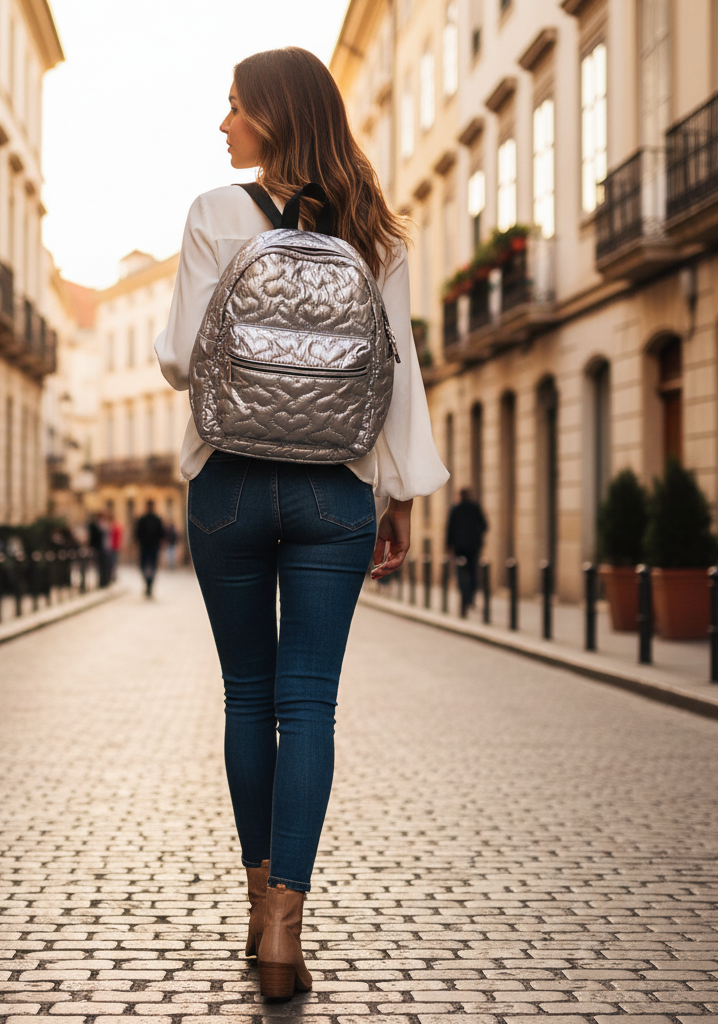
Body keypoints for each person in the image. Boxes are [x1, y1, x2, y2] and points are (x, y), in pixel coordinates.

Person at [155, 47, 448, 999]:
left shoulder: (213, 213)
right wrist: (397, 496)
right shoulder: (376, 232)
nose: (224, 124)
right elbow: (397, 369)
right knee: (307, 704)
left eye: (235, 107)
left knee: (248, 697)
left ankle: (252, 902)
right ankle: (285, 930)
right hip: (336, 492)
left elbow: (173, 362)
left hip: (230, 485)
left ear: (275, 118)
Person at [446, 487, 489, 616]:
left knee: (460, 572)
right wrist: (477, 535)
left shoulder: (455, 509)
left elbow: (449, 529)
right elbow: (485, 525)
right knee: (472, 572)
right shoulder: (475, 508)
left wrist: (449, 546)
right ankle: (470, 598)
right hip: (473, 546)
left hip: (459, 547)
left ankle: (464, 597)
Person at [134, 500, 166, 597]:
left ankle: (149, 584)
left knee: (147, 566)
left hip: (149, 546)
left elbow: (137, 534)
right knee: (151, 566)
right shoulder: (154, 519)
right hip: (150, 546)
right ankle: (149, 583)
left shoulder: (147, 519)